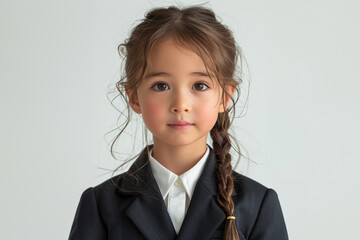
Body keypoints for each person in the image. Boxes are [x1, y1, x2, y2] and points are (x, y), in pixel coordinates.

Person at [69, 5, 288, 240]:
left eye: (199, 86)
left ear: (225, 96)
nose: (180, 104)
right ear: (133, 97)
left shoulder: (257, 204)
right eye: (161, 86)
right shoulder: (102, 204)